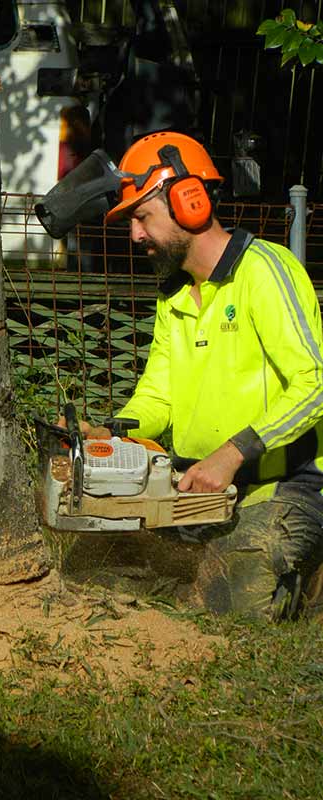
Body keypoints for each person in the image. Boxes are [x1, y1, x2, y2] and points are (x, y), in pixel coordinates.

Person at [82, 131, 323, 619]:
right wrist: (115, 432)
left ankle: (308, 580)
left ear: (188, 202)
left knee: (226, 601)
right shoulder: (173, 294)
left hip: (284, 483)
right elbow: (158, 396)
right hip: (198, 489)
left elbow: (315, 384)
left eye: (142, 217)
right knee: (96, 571)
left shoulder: (265, 271)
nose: (136, 236)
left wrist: (233, 454)